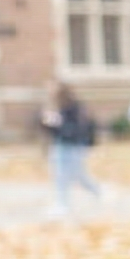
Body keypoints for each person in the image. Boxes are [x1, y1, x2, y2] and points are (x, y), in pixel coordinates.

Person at [40, 81, 105, 214]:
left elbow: (78, 127)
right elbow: (50, 129)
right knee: (63, 174)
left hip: (73, 145)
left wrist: (58, 124)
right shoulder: (53, 106)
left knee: (74, 175)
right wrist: (48, 123)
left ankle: (64, 204)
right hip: (59, 144)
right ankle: (96, 192)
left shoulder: (73, 106)